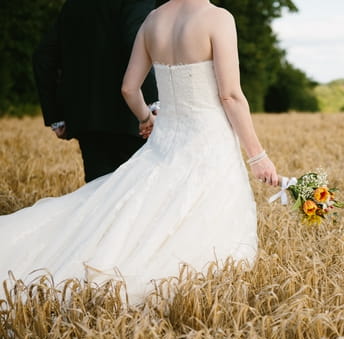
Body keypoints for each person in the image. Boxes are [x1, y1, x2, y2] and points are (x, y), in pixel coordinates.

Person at [0, 0, 278, 302]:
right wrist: (257, 156)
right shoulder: (218, 18)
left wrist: (147, 118)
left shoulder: (153, 19)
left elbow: (129, 89)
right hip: (208, 138)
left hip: (164, 138)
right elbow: (231, 95)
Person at [33, 0, 159, 182]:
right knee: (133, 197)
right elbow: (135, 44)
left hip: (87, 120)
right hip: (132, 119)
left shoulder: (74, 4)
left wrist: (56, 117)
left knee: (97, 198)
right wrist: (151, 103)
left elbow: (42, 57)